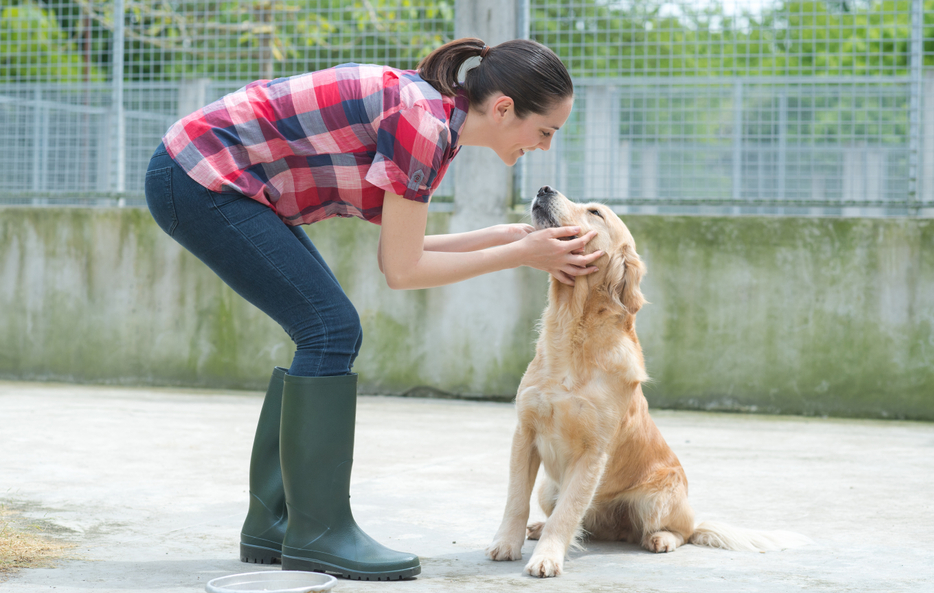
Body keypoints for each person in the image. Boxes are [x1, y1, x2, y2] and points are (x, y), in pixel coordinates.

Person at [144, 37, 602, 581]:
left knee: (325, 327)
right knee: (329, 328)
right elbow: (403, 272)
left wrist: (503, 239)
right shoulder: (423, 125)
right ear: (504, 108)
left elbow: (400, 251)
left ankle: (275, 523)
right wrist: (519, 254)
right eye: (545, 132)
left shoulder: (434, 121)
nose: (545, 148)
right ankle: (318, 532)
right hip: (201, 177)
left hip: (216, 178)